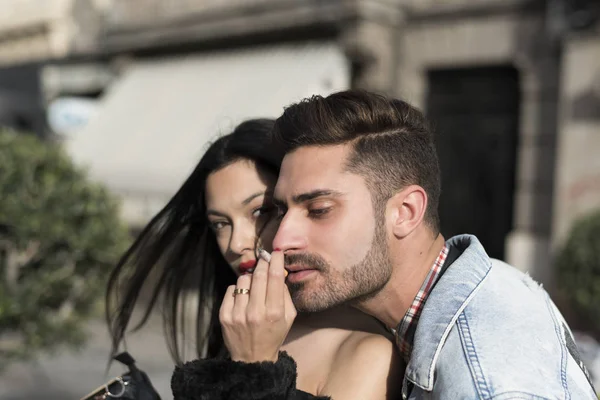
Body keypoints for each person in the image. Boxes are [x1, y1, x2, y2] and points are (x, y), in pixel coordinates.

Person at [173, 91, 598, 399]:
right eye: (280, 210)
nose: (280, 240)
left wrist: (254, 373)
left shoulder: (483, 376)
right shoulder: (477, 293)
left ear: (406, 211)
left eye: (319, 209)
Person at [106, 119, 402, 399]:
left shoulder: (368, 354)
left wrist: (254, 366)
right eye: (220, 224)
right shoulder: (243, 328)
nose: (236, 244)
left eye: (260, 212)